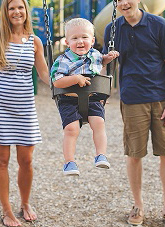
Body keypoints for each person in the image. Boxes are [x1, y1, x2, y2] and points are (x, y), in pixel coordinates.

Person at [109, 0, 165, 227]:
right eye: (119, 0)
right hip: (132, 100)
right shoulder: (112, 29)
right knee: (134, 154)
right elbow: (102, 65)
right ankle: (138, 205)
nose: (124, 3)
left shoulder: (158, 25)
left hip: (162, 100)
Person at [0, 0, 52, 227]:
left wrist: (64, 85)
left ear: (26, 11)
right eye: (11, 9)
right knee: (2, 159)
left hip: (25, 106)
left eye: (20, 8)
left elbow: (44, 74)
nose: (16, 12)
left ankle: (25, 203)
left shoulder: (35, 41)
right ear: (5, 13)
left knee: (26, 160)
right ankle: (6, 209)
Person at [50, 17, 119, 175]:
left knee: (99, 123)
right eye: (74, 38)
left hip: (93, 98)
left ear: (92, 40)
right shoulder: (63, 60)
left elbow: (102, 62)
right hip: (69, 100)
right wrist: (75, 79)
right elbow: (57, 82)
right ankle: (69, 162)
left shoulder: (95, 54)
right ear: (67, 42)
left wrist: (109, 58)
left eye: (84, 37)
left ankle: (100, 155)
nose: (80, 41)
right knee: (71, 129)